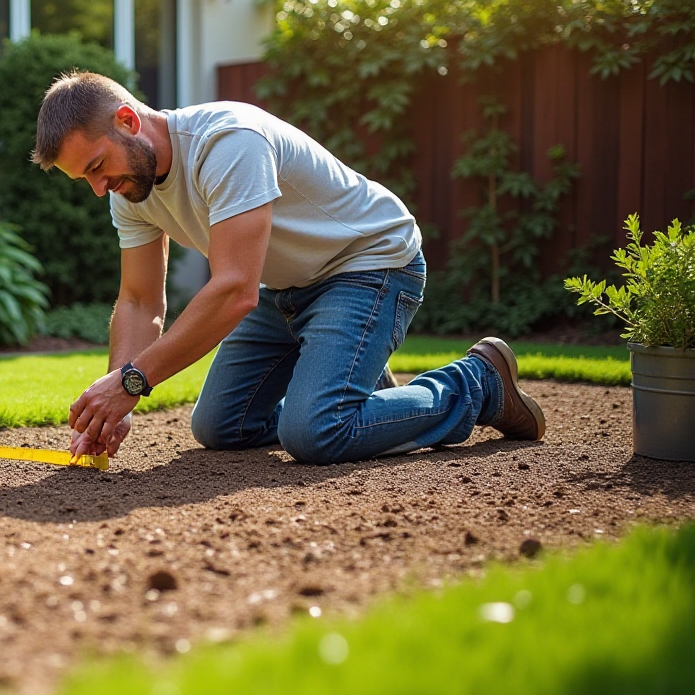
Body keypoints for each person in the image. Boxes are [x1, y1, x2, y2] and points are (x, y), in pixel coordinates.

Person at [33, 71, 546, 465]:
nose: (98, 188)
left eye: (97, 166)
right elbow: (139, 299)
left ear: (127, 121)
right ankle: (359, 389)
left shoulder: (227, 142)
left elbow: (235, 289)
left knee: (316, 433)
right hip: (286, 286)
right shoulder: (129, 190)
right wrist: (114, 397)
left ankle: (480, 383)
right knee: (220, 427)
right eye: (85, 179)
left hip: (367, 263)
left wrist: (133, 381)